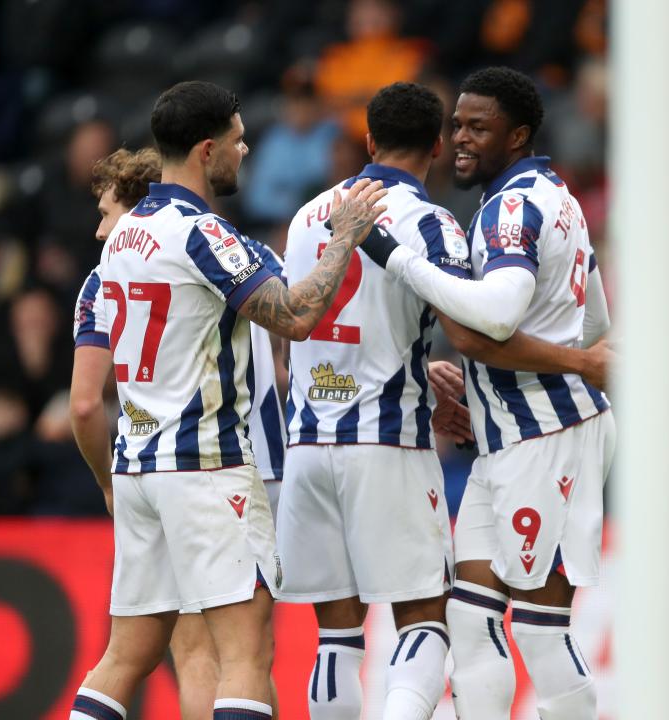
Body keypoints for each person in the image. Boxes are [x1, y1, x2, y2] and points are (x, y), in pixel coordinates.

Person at [277, 80, 609, 720]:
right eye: (455, 129)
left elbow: (304, 322)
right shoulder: (436, 223)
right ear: (435, 144)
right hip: (388, 442)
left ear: (367, 140)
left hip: (308, 444)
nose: (461, 140)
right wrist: (583, 360)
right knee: (429, 623)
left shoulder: (305, 216)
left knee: (341, 637)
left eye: (475, 128)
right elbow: (473, 330)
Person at [67, 80, 387, 720]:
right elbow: (294, 318)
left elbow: (87, 395)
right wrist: (344, 237)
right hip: (206, 470)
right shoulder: (202, 233)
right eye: (239, 142)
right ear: (207, 149)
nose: (245, 154)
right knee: (244, 655)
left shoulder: (119, 244)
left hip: (136, 471)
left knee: (125, 656)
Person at [70, 146, 287, 719]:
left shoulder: (103, 281)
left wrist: (108, 484)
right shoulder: (246, 252)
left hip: (187, 463)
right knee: (247, 652)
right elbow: (289, 345)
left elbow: (85, 404)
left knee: (202, 651)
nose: (102, 231)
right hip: (247, 457)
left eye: (107, 212)